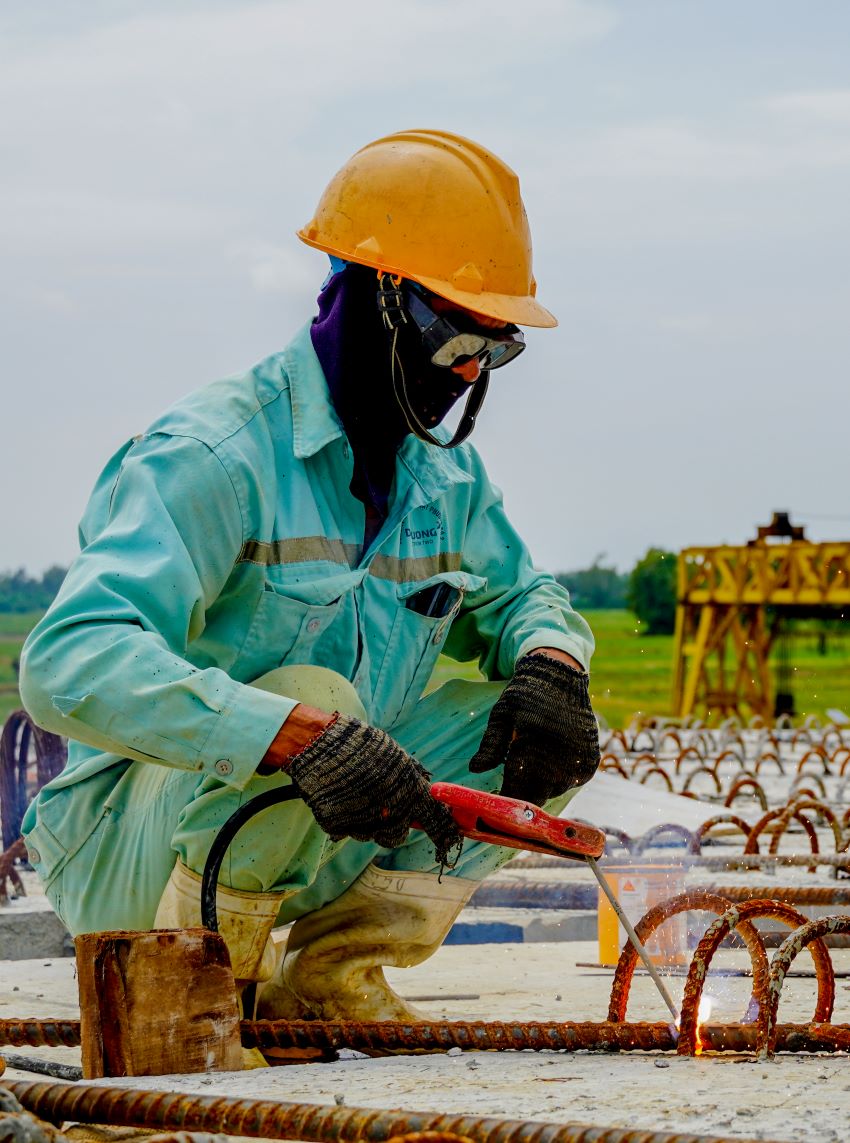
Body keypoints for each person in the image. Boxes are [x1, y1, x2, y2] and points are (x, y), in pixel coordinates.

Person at [20, 129, 600, 1041]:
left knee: (530, 726)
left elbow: (528, 596)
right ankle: (194, 1000)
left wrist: (554, 659)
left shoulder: (442, 480)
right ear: (374, 300)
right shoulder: (217, 455)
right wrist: (281, 731)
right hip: (133, 844)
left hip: (309, 829)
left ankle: (330, 975)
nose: (469, 372)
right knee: (313, 706)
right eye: (455, 337)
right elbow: (66, 662)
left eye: (495, 348)